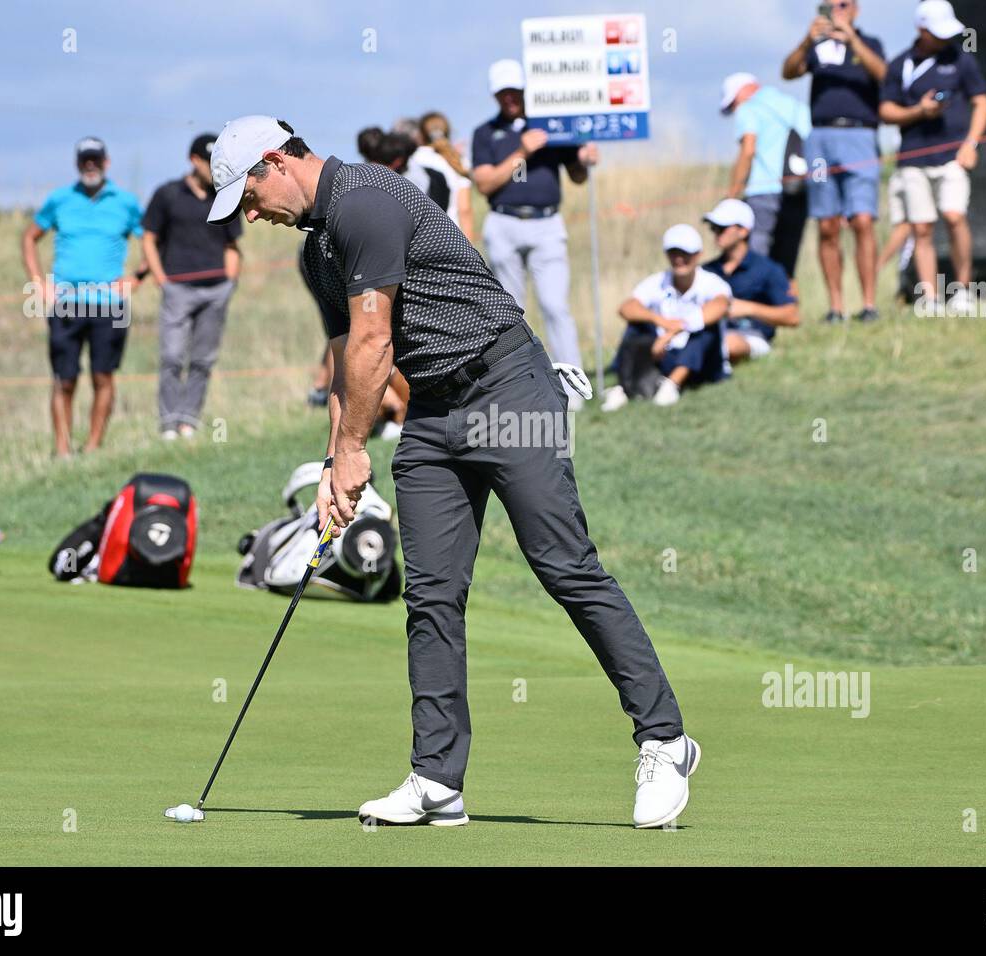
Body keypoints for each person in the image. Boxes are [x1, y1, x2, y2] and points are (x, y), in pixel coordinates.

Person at [206, 115, 697, 828]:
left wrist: (355, 452)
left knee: (565, 566)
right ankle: (437, 778)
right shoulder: (318, 254)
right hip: (434, 413)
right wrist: (331, 463)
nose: (252, 216)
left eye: (249, 198)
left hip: (507, 384)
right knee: (431, 593)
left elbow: (376, 338)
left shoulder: (366, 200)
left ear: (276, 162)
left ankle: (664, 737)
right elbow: (349, 361)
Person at [471, 58, 599, 409]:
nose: (511, 97)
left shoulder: (552, 126)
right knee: (512, 311)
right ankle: (519, 390)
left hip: (547, 224)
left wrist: (584, 156)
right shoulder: (486, 133)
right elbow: (485, 182)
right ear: (496, 95)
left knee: (556, 306)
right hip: (504, 222)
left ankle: (574, 392)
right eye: (504, 92)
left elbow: (577, 176)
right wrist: (523, 151)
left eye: (515, 90)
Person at [23, 137, 144, 457]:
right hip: (65, 301)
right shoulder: (59, 199)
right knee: (65, 378)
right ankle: (63, 449)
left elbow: (153, 240)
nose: (90, 165)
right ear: (78, 164)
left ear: (106, 162)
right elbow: (30, 237)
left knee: (103, 376)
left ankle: (92, 446)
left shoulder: (126, 201)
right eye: (84, 160)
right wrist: (38, 282)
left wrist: (138, 276)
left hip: (111, 304)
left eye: (95, 159)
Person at [879, 1, 986, 315]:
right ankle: (930, 298)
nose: (945, 39)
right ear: (921, 29)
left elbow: (981, 101)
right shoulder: (900, 63)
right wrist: (919, 111)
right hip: (913, 158)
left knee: (954, 216)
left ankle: (964, 291)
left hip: (952, 155)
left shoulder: (961, 59)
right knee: (922, 227)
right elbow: (886, 110)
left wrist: (971, 143)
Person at [782, 0, 886, 322]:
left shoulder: (870, 43)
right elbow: (788, 71)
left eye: (841, 4)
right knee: (826, 223)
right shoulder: (817, 46)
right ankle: (836, 307)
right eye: (828, 5)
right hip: (820, 139)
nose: (835, 11)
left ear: (855, 8)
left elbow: (884, 75)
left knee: (863, 220)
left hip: (860, 137)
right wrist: (806, 39)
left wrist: (850, 37)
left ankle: (868, 304)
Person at [141, 133, 243, 440]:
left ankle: (189, 420)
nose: (213, 170)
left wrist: (230, 281)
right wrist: (161, 280)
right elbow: (148, 238)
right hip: (178, 290)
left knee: (203, 360)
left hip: (216, 291)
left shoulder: (224, 196)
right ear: (193, 160)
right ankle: (169, 423)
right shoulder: (167, 194)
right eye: (208, 163)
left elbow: (232, 244)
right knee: (172, 356)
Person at [603, 224, 731, 411]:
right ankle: (625, 386)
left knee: (706, 329)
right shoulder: (657, 281)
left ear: (698, 255)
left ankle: (672, 385)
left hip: (705, 362)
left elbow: (720, 306)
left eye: (685, 253)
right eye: (673, 253)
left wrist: (675, 330)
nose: (679, 259)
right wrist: (660, 321)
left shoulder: (712, 283)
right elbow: (627, 308)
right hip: (666, 353)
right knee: (636, 325)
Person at [720, 71, 812, 280]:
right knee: (787, 267)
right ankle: (788, 310)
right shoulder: (796, 106)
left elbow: (748, 150)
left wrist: (732, 195)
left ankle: (754, 311)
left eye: (733, 103)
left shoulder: (749, 109)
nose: (735, 110)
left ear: (742, 92)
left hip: (762, 195)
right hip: (798, 193)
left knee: (756, 262)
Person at [700, 199, 801, 365]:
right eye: (714, 228)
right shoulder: (706, 271)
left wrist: (748, 309)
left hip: (752, 337)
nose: (716, 233)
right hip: (712, 332)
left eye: (722, 228)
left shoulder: (768, 269)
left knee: (730, 344)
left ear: (743, 231)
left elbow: (792, 316)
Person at [414, 112, 475, 241]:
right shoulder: (458, 161)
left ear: (421, 135)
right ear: (448, 132)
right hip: (451, 237)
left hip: (418, 238)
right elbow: (464, 209)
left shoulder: (414, 159)